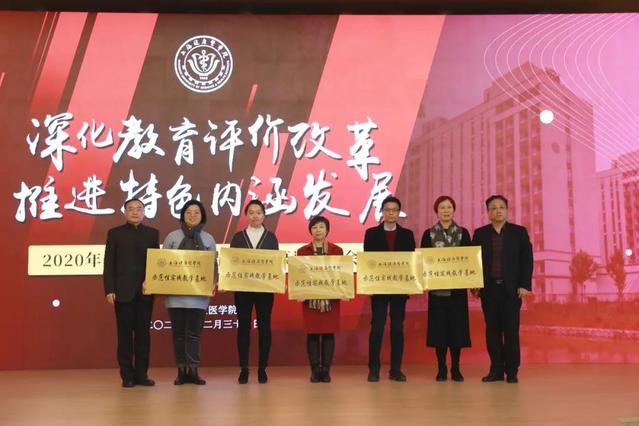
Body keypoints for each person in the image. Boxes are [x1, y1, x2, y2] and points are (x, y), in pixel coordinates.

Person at [472, 195, 533, 384]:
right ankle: (496, 369)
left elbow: (527, 260)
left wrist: (524, 284)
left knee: (511, 331)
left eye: (501, 207)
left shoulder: (519, 232)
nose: (498, 210)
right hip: (489, 290)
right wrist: (474, 284)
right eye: (493, 208)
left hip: (512, 291)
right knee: (492, 332)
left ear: (507, 210)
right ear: (488, 212)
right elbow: (474, 261)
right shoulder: (480, 234)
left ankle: (512, 370)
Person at [103, 198, 159, 388]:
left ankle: (142, 374)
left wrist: (152, 282)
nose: (135, 212)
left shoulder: (152, 233)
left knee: (143, 336)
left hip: (145, 292)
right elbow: (109, 263)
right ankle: (127, 375)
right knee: (124, 336)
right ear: (125, 212)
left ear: (144, 212)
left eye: (139, 209)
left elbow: (156, 263)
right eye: (131, 209)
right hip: (122, 292)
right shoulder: (115, 233)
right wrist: (109, 289)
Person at [161, 200, 217, 386]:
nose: (192, 216)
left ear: (202, 216)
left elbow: (213, 265)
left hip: (198, 296)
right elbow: (163, 262)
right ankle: (181, 371)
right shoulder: (172, 237)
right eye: (188, 212)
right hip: (175, 296)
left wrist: (214, 281)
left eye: (196, 212)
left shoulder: (208, 239)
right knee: (178, 335)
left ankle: (193, 370)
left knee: (194, 335)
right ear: (183, 215)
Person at [364, 195, 416, 382]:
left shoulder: (407, 235)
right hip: (379, 288)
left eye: (394, 210)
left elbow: (411, 262)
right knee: (377, 328)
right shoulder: (371, 233)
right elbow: (367, 262)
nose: (391, 213)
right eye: (387, 210)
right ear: (382, 212)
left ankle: (395, 369)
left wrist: (411, 283)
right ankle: (374, 369)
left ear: (399, 213)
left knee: (397, 329)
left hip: (399, 288)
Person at [420, 195, 472, 382]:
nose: (446, 210)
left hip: (458, 292)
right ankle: (441, 368)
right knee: (439, 332)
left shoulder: (463, 233)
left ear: (454, 210)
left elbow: (469, 260)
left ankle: (456, 368)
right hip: (437, 292)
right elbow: (423, 261)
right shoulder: (429, 234)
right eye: (442, 207)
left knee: (457, 331)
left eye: (449, 207)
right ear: (437, 211)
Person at [230, 200, 279, 384]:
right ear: (246, 215)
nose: (255, 216)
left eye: (258, 212)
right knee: (243, 327)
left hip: (265, 290)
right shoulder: (238, 237)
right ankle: (244, 368)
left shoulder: (271, 237)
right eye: (251, 212)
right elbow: (231, 262)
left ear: (264, 216)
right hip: (243, 289)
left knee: (264, 326)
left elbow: (275, 264)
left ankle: (262, 368)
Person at [296, 216, 344, 383]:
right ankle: (315, 370)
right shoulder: (302, 251)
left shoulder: (337, 250)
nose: (318, 230)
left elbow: (341, 274)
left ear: (327, 230)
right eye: (315, 227)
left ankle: (326, 370)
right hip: (310, 299)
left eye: (321, 227)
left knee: (329, 334)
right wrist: (298, 291)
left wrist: (344, 290)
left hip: (331, 299)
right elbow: (299, 275)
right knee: (313, 334)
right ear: (310, 230)